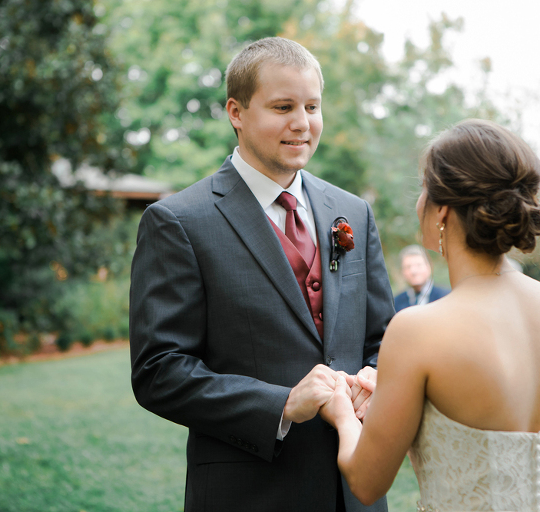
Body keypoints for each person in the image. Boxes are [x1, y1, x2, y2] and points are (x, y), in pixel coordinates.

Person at [129, 37, 395, 512]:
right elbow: (159, 371)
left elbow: (384, 337)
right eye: (282, 106)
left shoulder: (352, 212)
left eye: (312, 106)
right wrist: (280, 404)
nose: (302, 123)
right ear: (236, 112)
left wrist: (377, 379)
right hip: (249, 492)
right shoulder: (179, 222)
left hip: (356, 491)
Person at [318, 119, 540, 512]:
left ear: (441, 210)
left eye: (422, 188)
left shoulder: (418, 330)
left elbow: (366, 481)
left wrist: (342, 412)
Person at [393, 245, 449, 311]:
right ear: (402, 271)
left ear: (429, 267)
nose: (413, 271)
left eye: (418, 265)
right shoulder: (396, 302)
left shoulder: (445, 297)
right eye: (408, 267)